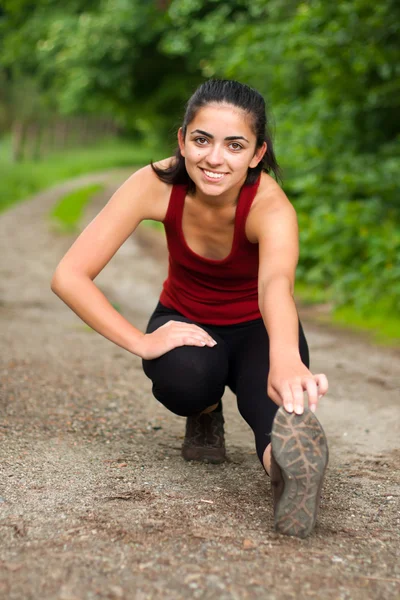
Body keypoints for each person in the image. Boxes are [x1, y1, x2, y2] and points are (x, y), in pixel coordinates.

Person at [51, 79, 329, 539]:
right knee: (184, 379)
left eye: (234, 145)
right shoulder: (154, 184)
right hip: (188, 322)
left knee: (272, 411)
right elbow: (70, 275)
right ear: (182, 140)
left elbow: (276, 284)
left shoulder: (270, 206)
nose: (214, 159)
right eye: (201, 140)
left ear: (257, 154)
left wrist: (285, 357)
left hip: (258, 328)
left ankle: (287, 475)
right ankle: (204, 413)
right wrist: (141, 341)